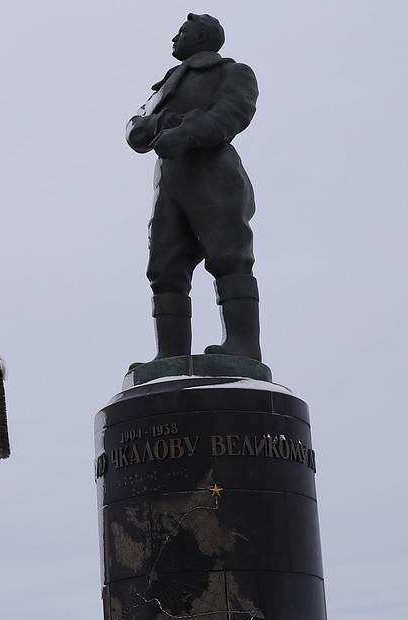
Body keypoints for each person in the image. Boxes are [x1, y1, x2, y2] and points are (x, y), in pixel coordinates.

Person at [127, 13, 262, 364]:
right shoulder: (164, 86)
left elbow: (233, 113)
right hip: (170, 181)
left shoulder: (232, 72)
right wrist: (161, 122)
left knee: (229, 256)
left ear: (202, 37)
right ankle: (169, 355)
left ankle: (244, 346)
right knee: (164, 268)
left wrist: (184, 132)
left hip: (213, 173)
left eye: (182, 31)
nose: (174, 37)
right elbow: (134, 130)